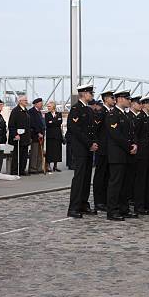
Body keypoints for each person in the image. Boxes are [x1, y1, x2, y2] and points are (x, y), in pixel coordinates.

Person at [67, 84, 99, 218]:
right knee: (79, 178)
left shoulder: (88, 110)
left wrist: (94, 142)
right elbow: (75, 130)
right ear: (84, 94)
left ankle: (83, 204)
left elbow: (91, 130)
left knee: (86, 178)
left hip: (88, 148)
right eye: (90, 93)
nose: (92, 96)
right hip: (80, 148)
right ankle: (73, 207)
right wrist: (90, 143)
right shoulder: (76, 109)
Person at [105, 89, 137, 221]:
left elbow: (132, 133)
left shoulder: (126, 115)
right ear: (119, 99)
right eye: (127, 98)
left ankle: (124, 208)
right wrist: (130, 146)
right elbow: (116, 135)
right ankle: (112, 211)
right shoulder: (113, 115)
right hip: (117, 155)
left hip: (127, 155)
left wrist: (135, 144)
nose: (129, 101)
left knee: (126, 184)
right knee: (115, 184)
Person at [92, 89, 114, 212]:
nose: (114, 100)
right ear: (106, 99)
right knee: (100, 176)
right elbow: (95, 129)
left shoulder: (111, 112)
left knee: (107, 176)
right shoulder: (101, 112)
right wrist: (96, 143)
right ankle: (98, 201)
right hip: (102, 149)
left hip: (110, 149)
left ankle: (105, 199)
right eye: (112, 98)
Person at [8, 95, 31, 176]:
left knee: (24, 154)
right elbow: (11, 125)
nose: (26, 101)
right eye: (25, 100)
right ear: (20, 101)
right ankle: (15, 171)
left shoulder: (26, 111)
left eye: (26, 100)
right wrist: (15, 134)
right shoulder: (15, 111)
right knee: (17, 154)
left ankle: (22, 169)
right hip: (19, 137)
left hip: (26, 136)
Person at [28, 98, 46, 174]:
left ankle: (39, 167)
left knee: (40, 152)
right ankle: (33, 168)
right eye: (40, 103)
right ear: (36, 104)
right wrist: (38, 132)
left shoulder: (39, 112)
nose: (41, 105)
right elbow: (32, 123)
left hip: (41, 135)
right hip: (35, 135)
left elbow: (41, 123)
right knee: (34, 153)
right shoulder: (31, 112)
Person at [44, 101, 63, 172]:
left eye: (49, 106)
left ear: (53, 107)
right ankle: (48, 165)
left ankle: (55, 166)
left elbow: (59, 122)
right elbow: (47, 124)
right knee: (50, 150)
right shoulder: (47, 115)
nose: (48, 108)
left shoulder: (59, 114)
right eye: (48, 106)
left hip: (57, 135)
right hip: (50, 135)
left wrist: (52, 121)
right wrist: (54, 121)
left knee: (57, 150)